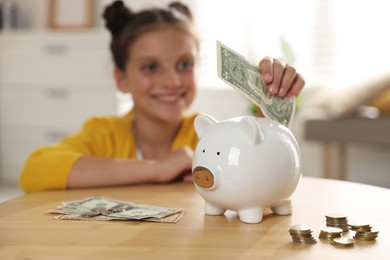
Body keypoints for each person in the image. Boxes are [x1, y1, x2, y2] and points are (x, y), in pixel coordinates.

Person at [19, 1, 305, 192]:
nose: (172, 81)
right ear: (121, 79)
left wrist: (268, 118)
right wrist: (157, 168)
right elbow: (34, 171)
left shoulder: (211, 137)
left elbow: (261, 182)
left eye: (184, 64)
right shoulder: (102, 134)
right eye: (150, 67)